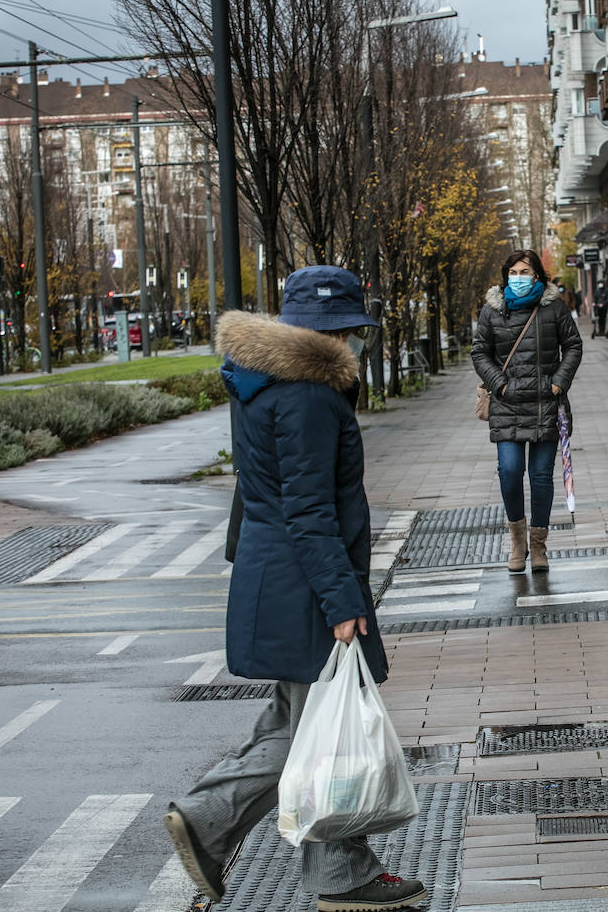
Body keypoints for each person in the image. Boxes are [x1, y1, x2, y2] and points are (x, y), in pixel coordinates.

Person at [163, 265, 426, 912]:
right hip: (306, 583)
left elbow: (258, 494)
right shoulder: (308, 397)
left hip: (277, 575)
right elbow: (310, 510)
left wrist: (249, 563)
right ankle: (213, 821)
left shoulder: (265, 385)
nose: (355, 345)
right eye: (348, 334)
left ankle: (336, 866)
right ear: (325, 335)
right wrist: (342, 602)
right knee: (314, 733)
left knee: (301, 721)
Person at [472, 249, 583, 573]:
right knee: (509, 472)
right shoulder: (492, 311)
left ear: (537, 276)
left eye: (526, 272)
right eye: (514, 272)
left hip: (545, 405)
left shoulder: (553, 308)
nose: (519, 277)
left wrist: (558, 382)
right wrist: (500, 383)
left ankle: (538, 546)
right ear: (506, 275)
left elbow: (573, 345)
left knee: (540, 477)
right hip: (507, 404)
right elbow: (480, 353)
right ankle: (517, 542)